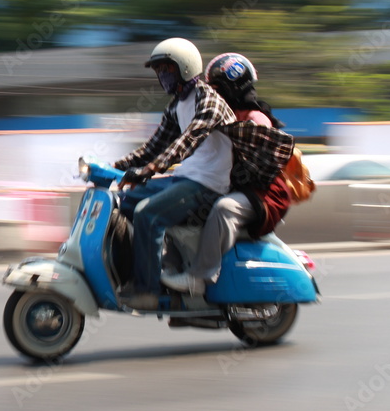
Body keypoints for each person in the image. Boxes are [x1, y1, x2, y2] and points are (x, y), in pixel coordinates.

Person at [114, 38, 236, 309]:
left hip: (209, 184)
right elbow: (153, 147)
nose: (162, 76)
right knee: (125, 203)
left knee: (148, 213)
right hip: (186, 178)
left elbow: (188, 140)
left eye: (167, 69)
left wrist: (151, 169)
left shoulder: (209, 100)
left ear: (185, 67)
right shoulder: (176, 105)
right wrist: (113, 166)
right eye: (159, 71)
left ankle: (148, 290)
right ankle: (137, 270)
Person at [161, 53, 294, 295]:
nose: (212, 94)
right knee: (173, 205)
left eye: (218, 88)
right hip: (233, 186)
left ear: (233, 86)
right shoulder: (218, 113)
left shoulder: (255, 118)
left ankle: (199, 278)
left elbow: (259, 164)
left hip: (262, 194)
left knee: (225, 208)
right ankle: (169, 270)